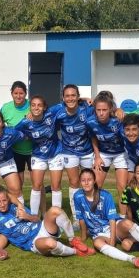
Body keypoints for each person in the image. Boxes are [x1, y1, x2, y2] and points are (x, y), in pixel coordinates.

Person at [74, 168, 139, 267]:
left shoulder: (105, 195)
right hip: (99, 233)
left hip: (115, 228)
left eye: (89, 180)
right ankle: (131, 258)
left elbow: (112, 220)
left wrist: (112, 241)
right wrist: (83, 237)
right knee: (97, 243)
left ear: (94, 180)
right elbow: (81, 218)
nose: (86, 183)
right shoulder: (77, 196)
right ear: (80, 182)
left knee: (127, 223)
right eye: (83, 180)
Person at [0, 186, 94, 258]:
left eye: (4, 200)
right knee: (50, 243)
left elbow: (37, 219)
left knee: (55, 210)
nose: (2, 204)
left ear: (8, 199)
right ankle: (76, 251)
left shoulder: (15, 207)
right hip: (33, 241)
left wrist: (27, 216)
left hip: (42, 227)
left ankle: (73, 240)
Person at [48, 84, 96, 227]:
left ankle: (92, 213)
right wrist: (30, 115)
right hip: (69, 151)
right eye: (67, 96)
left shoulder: (87, 108)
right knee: (74, 182)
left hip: (87, 151)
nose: (70, 98)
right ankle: (77, 216)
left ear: (78, 96)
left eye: (73, 95)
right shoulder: (57, 110)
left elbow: (104, 108)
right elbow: (41, 113)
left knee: (89, 182)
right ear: (63, 98)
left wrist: (117, 109)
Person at [15, 94, 63, 216]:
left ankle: (55, 217)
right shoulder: (25, 122)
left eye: (39, 105)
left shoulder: (51, 113)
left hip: (55, 153)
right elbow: (13, 132)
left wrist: (85, 99)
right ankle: (34, 217)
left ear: (44, 107)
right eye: (33, 105)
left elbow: (68, 102)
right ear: (30, 107)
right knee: (36, 185)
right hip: (38, 155)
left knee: (55, 186)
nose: (36, 108)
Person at [87, 91, 130, 213]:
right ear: (94, 109)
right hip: (103, 153)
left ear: (110, 109)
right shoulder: (90, 122)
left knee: (122, 187)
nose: (101, 113)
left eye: (104, 110)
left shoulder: (118, 119)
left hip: (121, 154)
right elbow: (93, 138)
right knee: (96, 185)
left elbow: (137, 121)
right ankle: (93, 215)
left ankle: (122, 217)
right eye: (98, 110)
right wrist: (97, 156)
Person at [1, 81, 33, 187]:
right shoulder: (6, 108)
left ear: (25, 93)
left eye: (21, 93)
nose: (18, 96)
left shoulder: (33, 105)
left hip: (34, 150)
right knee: (18, 184)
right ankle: (20, 203)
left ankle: (40, 204)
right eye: (16, 93)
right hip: (15, 150)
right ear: (12, 94)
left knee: (37, 184)